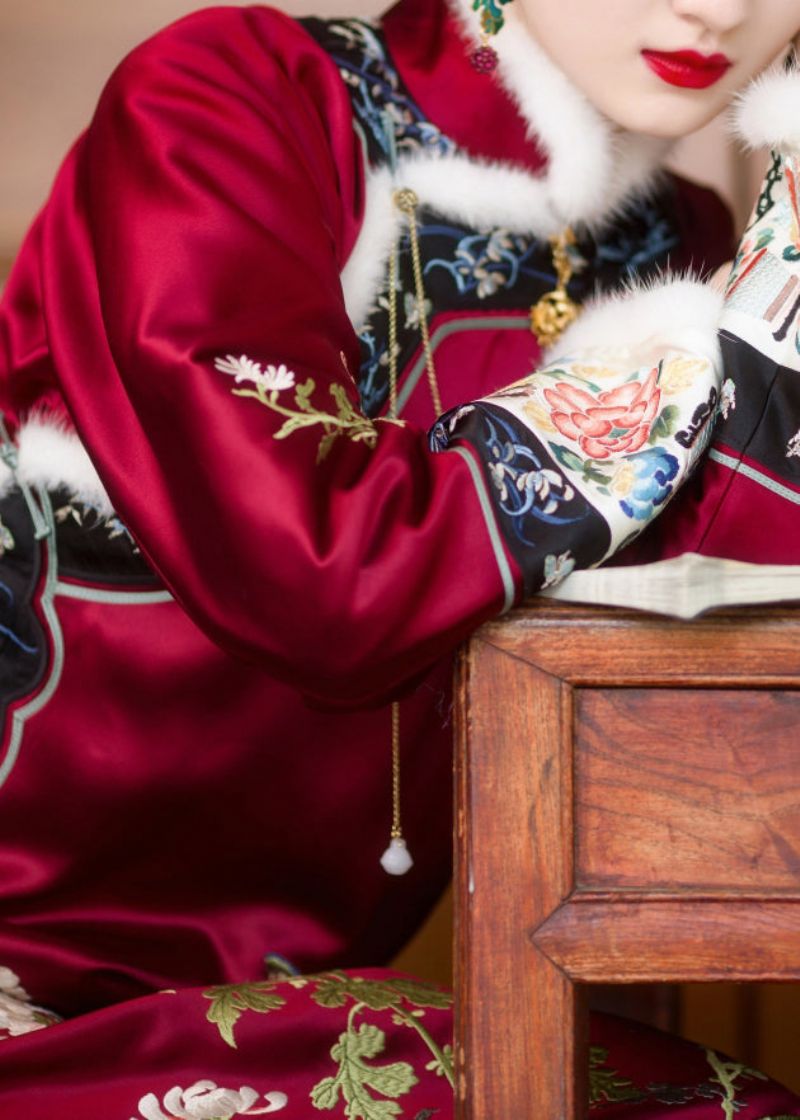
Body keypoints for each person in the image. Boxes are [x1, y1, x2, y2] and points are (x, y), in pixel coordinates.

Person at [0, 0, 799, 1114]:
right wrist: (674, 367)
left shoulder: (692, 248)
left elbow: (704, 723)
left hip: (277, 1017)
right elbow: (325, 580)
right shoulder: (229, 103)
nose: (714, 10)